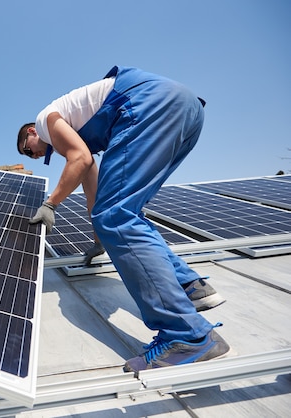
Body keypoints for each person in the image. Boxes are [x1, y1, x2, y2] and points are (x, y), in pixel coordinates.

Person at [17, 66, 230, 373]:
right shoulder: (75, 130)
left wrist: (51, 204)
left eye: (30, 150)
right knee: (122, 214)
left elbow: (79, 159)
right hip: (185, 108)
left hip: (146, 105)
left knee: (117, 217)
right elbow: (93, 183)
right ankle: (189, 286)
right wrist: (98, 237)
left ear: (32, 132)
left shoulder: (45, 119)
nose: (34, 157)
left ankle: (188, 336)